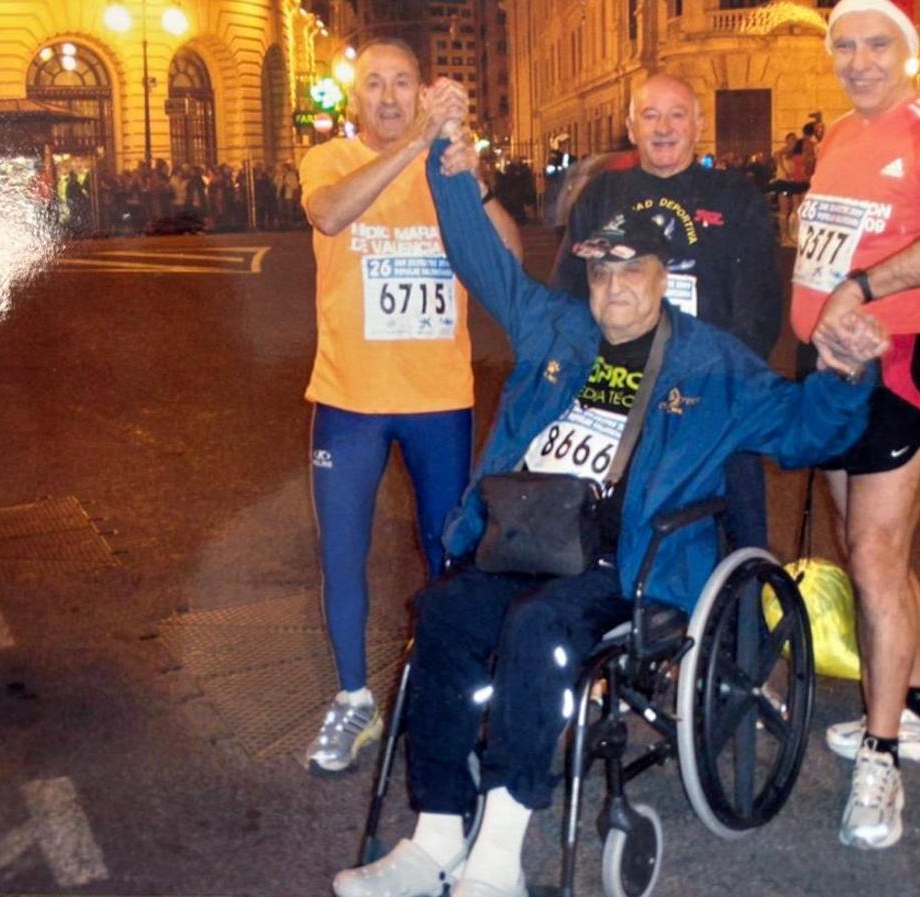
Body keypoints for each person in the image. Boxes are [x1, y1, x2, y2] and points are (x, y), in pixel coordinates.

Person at [331, 131, 889, 897]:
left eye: (632, 270)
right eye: (601, 272)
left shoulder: (712, 364)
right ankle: (434, 837)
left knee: (536, 626)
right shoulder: (557, 329)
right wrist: (447, 164)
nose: (614, 288)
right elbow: (482, 262)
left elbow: (808, 430)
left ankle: (495, 858)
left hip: (623, 563)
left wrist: (847, 370)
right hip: (524, 537)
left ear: (665, 277)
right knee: (446, 612)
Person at [792, 0, 920, 849]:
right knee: (862, 543)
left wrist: (863, 289)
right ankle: (919, 703)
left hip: (896, 365)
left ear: (905, 53)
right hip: (830, 371)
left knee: (875, 555)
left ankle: (882, 757)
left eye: (877, 45)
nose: (860, 59)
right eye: (845, 45)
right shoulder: (839, 135)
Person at [298, 39, 521, 774]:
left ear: (421, 91)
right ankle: (354, 698)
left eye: (403, 84)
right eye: (374, 85)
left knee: (447, 550)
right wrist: (419, 144)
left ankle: (449, 687)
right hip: (351, 398)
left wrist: (473, 176)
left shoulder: (446, 163)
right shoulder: (329, 161)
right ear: (354, 97)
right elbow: (332, 215)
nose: (388, 97)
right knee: (342, 552)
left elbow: (510, 260)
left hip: (436, 398)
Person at [551, 72, 782, 565]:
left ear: (698, 124)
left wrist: (717, 383)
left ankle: (747, 619)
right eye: (650, 115)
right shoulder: (602, 194)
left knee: (739, 525)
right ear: (631, 127)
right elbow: (567, 297)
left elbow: (758, 309)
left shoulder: (733, 196)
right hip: (619, 385)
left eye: (677, 114)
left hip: (710, 386)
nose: (663, 127)